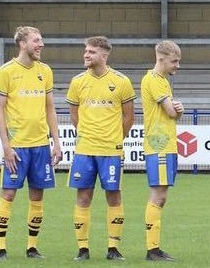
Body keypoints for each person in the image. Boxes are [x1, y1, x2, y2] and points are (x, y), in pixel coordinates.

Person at [0, 26, 62, 260]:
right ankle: (0, 247)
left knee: (37, 196)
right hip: (17, 146)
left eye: (41, 40)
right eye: (36, 40)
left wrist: (57, 142)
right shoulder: (6, 71)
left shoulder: (45, 71)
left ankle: (32, 247)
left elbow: (50, 108)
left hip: (41, 146)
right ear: (22, 43)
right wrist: (6, 146)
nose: (41, 45)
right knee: (8, 194)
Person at [66, 36, 135, 261]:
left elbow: (129, 117)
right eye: (85, 51)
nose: (86, 55)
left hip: (111, 152)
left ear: (104, 55)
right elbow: (74, 116)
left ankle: (113, 248)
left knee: (113, 196)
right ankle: (83, 249)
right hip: (84, 150)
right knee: (83, 197)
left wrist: (115, 138)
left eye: (91, 52)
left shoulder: (121, 81)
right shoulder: (77, 81)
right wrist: (88, 135)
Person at [140, 40, 184, 262]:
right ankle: (152, 249)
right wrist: (177, 108)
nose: (177, 65)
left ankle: (154, 248)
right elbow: (171, 111)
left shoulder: (161, 81)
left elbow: (174, 113)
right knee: (158, 195)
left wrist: (178, 110)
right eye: (174, 61)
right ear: (161, 59)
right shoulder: (155, 81)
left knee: (161, 195)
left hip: (164, 143)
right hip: (159, 144)